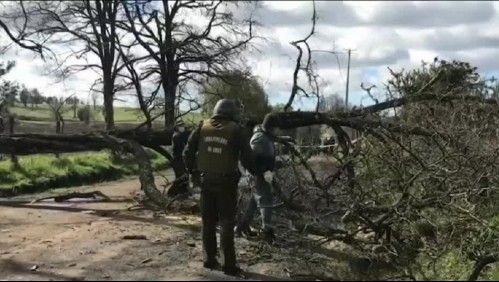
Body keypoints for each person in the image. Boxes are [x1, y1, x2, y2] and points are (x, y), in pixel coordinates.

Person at [183, 99, 254, 276]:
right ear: (231, 113)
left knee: (208, 221)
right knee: (226, 223)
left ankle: (209, 259)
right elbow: (247, 158)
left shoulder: (202, 126)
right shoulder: (237, 130)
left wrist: (192, 172)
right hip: (227, 183)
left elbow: (187, 153)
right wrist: (259, 172)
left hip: (206, 181)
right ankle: (228, 265)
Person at [235, 113, 287, 242]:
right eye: (276, 128)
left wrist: (276, 165)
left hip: (262, 174)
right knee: (266, 199)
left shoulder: (266, 137)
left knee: (255, 200)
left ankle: (241, 226)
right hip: (257, 175)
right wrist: (263, 172)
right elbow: (252, 160)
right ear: (270, 127)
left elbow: (266, 158)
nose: (278, 130)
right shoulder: (259, 138)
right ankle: (266, 230)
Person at [168, 120, 191, 197]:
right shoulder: (176, 136)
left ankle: (183, 192)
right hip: (177, 160)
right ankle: (171, 192)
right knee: (181, 177)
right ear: (176, 127)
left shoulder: (181, 135)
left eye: (182, 125)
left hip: (181, 159)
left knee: (184, 176)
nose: (182, 127)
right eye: (180, 126)